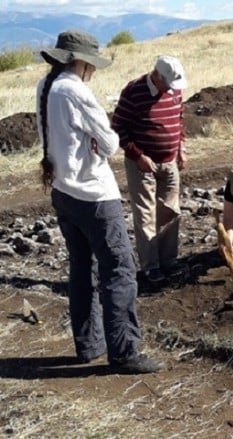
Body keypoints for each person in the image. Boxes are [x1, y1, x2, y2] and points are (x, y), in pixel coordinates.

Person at [36, 30, 162, 374]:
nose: (93, 69)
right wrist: (98, 140)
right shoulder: (76, 91)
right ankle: (124, 352)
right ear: (82, 61)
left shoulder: (46, 87)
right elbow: (109, 143)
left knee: (81, 269)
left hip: (63, 191)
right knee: (119, 271)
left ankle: (89, 345)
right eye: (91, 63)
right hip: (94, 195)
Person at [111, 55, 188, 283]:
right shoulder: (133, 91)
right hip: (142, 164)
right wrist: (138, 155)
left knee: (170, 211)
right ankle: (150, 266)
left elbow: (179, 120)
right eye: (167, 84)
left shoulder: (174, 90)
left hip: (170, 160)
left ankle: (169, 261)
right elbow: (117, 128)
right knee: (146, 213)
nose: (171, 89)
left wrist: (181, 147)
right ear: (155, 75)